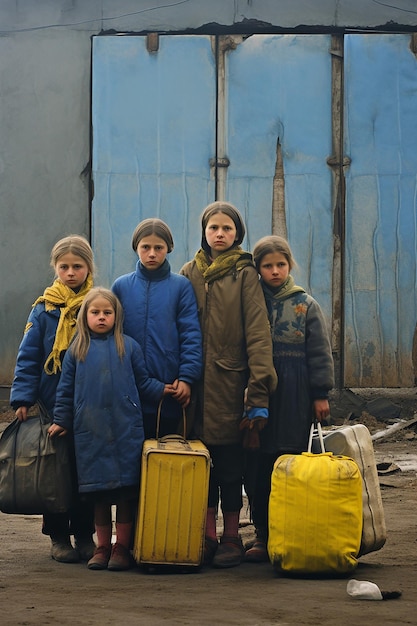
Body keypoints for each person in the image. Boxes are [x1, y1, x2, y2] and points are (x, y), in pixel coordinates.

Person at [180, 201, 277, 569]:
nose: (219, 234)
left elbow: (258, 333)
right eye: (213, 228)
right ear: (204, 232)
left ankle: (231, 536)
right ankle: (206, 536)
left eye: (227, 228)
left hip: (233, 386)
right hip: (195, 390)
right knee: (200, 466)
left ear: (238, 234)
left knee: (231, 467)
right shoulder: (189, 272)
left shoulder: (245, 274)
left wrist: (258, 390)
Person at [49, 287, 171, 571]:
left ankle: (122, 548)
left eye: (107, 312)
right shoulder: (76, 350)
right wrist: (61, 420)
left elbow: (143, 383)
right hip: (90, 434)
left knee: (126, 495)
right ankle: (102, 546)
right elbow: (65, 391)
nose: (101, 317)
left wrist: (164, 389)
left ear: (117, 316)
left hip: (126, 432)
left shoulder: (128, 347)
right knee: (99, 497)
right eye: (95, 313)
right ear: (85, 316)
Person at [244, 234, 334, 563]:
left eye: (280, 264)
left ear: (289, 265)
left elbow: (319, 354)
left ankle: (290, 530)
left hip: (295, 395)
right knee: (259, 467)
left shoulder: (305, 305)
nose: (275, 271)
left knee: (291, 464)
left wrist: (320, 394)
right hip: (259, 392)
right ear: (258, 269)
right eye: (267, 266)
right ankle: (262, 534)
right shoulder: (251, 302)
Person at [10, 235, 96, 563]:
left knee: (86, 472)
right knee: (55, 473)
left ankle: (86, 533)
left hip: (88, 404)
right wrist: (22, 398)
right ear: (55, 268)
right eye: (64, 267)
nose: (71, 272)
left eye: (78, 266)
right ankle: (58, 536)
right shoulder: (43, 309)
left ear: (89, 268)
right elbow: (28, 356)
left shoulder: (98, 303)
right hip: (50, 405)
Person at [112, 218, 202, 438]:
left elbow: (191, 334)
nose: (151, 253)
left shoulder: (180, 286)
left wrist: (187, 378)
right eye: (145, 247)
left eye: (158, 248)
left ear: (168, 249)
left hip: (169, 388)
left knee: (162, 458)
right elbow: (111, 336)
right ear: (136, 249)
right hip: (128, 387)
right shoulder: (121, 286)